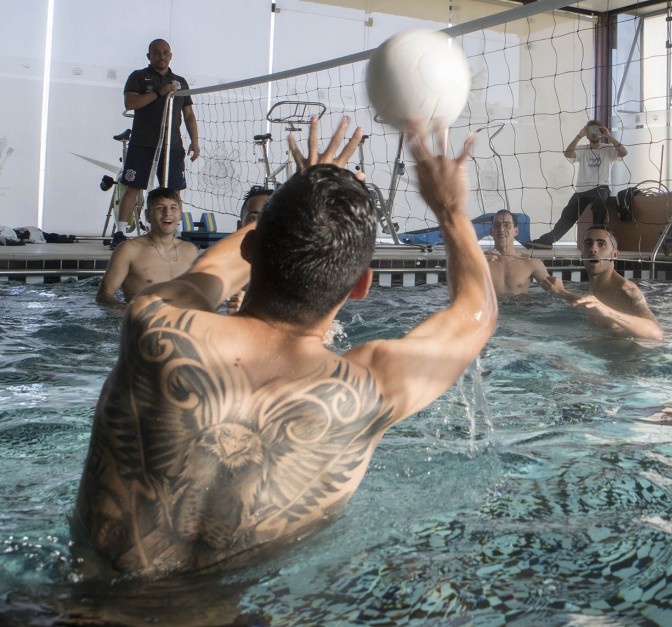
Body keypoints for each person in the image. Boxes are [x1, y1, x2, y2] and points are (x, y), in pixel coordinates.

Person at [74, 116, 497, 577]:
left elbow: (213, 273)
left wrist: (300, 190)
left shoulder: (157, 324)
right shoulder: (373, 387)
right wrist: (452, 211)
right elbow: (476, 314)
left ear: (251, 247)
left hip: (70, 607)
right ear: (362, 285)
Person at [110, 39, 199, 249]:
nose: (161, 56)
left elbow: (188, 115)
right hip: (143, 143)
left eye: (165, 52)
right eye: (157, 53)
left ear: (171, 55)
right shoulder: (139, 77)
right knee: (133, 187)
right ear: (149, 56)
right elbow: (131, 103)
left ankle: (175, 232)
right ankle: (121, 233)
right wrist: (160, 92)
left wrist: (195, 141)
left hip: (173, 146)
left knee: (174, 191)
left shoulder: (180, 82)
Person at [544, 226, 663, 340]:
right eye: (588, 244)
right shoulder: (596, 287)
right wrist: (561, 292)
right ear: (582, 254)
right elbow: (591, 304)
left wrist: (608, 311)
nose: (593, 249)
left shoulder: (626, 291)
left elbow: (657, 333)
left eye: (601, 244)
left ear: (614, 255)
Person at [527, 120, 627, 249]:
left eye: (598, 130)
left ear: (602, 133)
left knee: (599, 202)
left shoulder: (608, 149)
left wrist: (609, 136)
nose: (594, 134)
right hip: (582, 190)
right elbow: (567, 153)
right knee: (568, 214)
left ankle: (598, 239)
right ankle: (546, 241)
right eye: (591, 131)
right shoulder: (582, 149)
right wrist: (579, 136)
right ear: (587, 133)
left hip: (601, 186)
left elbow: (624, 152)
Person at [96, 187, 199, 306]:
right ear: (147, 215)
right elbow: (103, 296)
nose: (167, 213)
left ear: (180, 214)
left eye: (173, 208)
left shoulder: (190, 250)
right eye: (160, 208)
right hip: (143, 322)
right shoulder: (129, 250)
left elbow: (201, 295)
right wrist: (130, 314)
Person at [225, 185, 274, 314]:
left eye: (269, 217)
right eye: (253, 218)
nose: (261, 224)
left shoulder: (294, 274)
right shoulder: (221, 272)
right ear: (239, 226)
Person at [486, 209, 556, 297]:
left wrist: (573, 298)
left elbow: (555, 291)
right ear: (492, 231)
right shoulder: (481, 260)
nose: (501, 229)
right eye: (496, 225)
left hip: (520, 307)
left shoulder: (530, 262)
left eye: (507, 225)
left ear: (516, 231)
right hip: (491, 309)